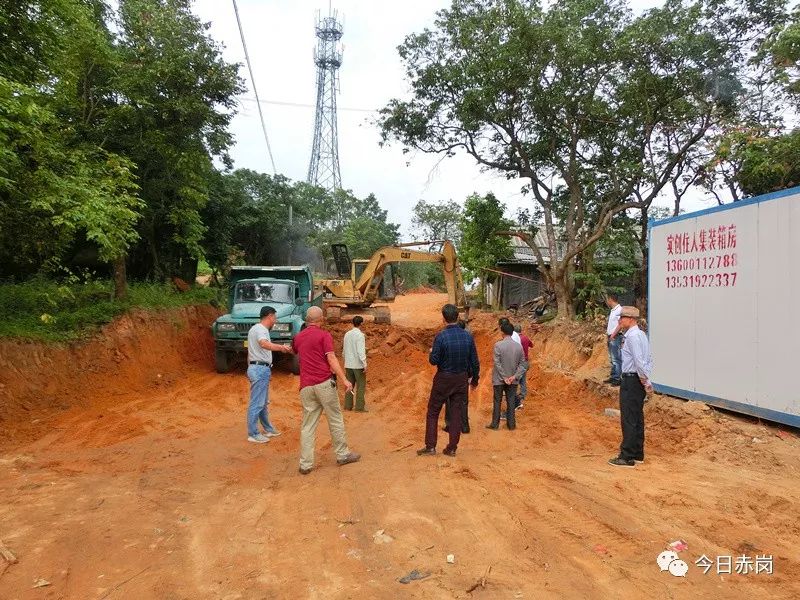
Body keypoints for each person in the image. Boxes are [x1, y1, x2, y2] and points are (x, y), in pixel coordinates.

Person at [292, 306, 361, 474]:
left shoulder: (298, 337)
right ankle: (342, 454)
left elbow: (293, 350)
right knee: (335, 419)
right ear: (321, 319)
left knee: (308, 426)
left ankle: (305, 464)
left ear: (307, 320)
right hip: (324, 383)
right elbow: (331, 358)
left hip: (306, 386)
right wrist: (345, 379)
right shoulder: (324, 336)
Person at [418, 304, 480, 457]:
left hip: (444, 378)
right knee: (456, 413)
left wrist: (431, 352)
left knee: (433, 411)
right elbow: (475, 361)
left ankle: (430, 446)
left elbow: (434, 361)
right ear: (458, 317)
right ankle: (452, 448)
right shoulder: (468, 336)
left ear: (443, 319)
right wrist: (474, 381)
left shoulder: (441, 336)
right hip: (461, 379)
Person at [608, 306, 653, 468]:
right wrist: (646, 380)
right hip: (637, 381)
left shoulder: (632, 337)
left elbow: (639, 362)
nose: (620, 321)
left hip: (631, 380)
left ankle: (627, 456)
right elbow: (648, 359)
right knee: (637, 417)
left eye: (622, 318)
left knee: (628, 418)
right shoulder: (641, 335)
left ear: (631, 319)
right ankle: (637, 453)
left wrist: (644, 381)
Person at [246, 306, 293, 443]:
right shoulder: (261, 330)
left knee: (262, 402)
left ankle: (268, 428)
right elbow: (264, 344)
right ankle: (253, 433)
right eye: (275, 318)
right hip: (260, 369)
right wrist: (282, 347)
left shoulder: (255, 328)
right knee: (257, 402)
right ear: (270, 316)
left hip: (258, 368)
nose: (275, 321)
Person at [487, 321, 526, 431]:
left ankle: (495, 424)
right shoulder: (518, 347)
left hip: (499, 379)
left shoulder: (498, 345)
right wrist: (514, 376)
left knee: (497, 401)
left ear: (502, 332)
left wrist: (504, 377)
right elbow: (523, 364)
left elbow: (497, 363)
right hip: (513, 380)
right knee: (511, 401)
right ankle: (511, 425)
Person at [443, 319, 473, 434]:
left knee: (449, 401)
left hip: (449, 375)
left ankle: (450, 425)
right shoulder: (468, 339)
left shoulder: (447, 338)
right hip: (463, 376)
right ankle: (465, 427)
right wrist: (472, 376)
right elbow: (472, 360)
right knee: (463, 402)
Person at [343, 316, 368, 412]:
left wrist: (346, 360)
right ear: (361, 323)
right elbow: (360, 351)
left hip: (348, 364)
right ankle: (359, 407)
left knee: (349, 385)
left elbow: (344, 350)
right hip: (358, 365)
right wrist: (364, 363)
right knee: (361, 386)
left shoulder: (347, 334)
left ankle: (348, 406)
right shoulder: (360, 335)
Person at [605, 293, 623, 387]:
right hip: (611, 336)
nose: (607, 301)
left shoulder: (619, 310)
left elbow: (620, 324)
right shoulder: (613, 310)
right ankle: (613, 376)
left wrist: (613, 335)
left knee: (616, 358)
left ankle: (617, 378)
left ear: (611, 299)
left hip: (615, 337)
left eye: (608, 299)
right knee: (612, 358)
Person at [514, 324, 533, 409]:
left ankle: (515, 398)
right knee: (523, 380)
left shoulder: (515, 339)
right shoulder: (525, 338)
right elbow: (532, 345)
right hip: (525, 361)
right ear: (521, 330)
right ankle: (523, 394)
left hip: (518, 362)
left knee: (516, 379)